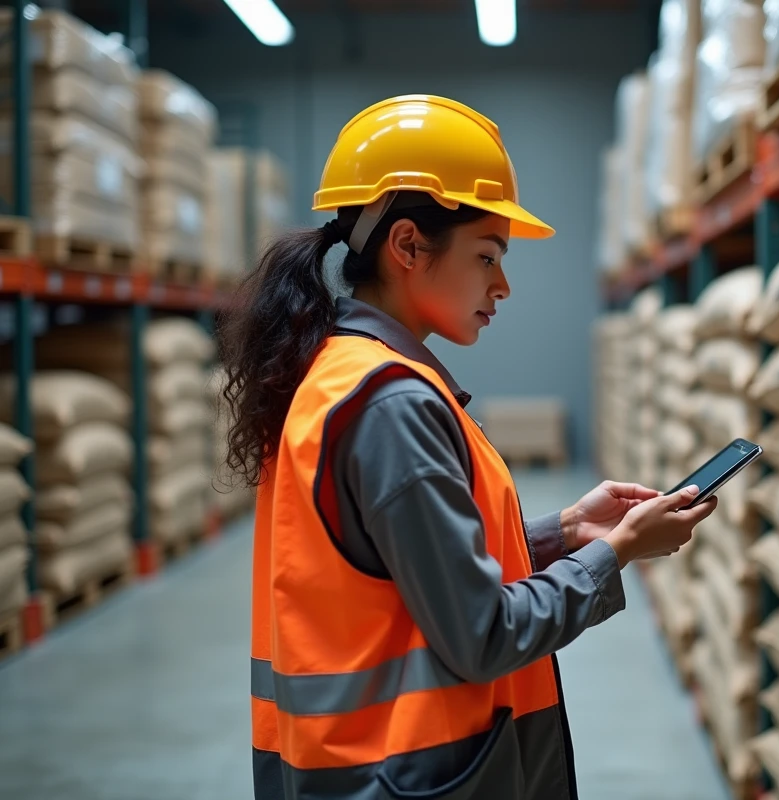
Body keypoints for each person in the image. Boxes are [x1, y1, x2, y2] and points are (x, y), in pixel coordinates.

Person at [218, 95, 718, 800]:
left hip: (363, 771)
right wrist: (619, 551)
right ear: (407, 247)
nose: (502, 285)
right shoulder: (391, 405)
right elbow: (483, 633)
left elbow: (409, 566)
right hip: (405, 775)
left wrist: (567, 532)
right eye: (487, 256)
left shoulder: (343, 372)